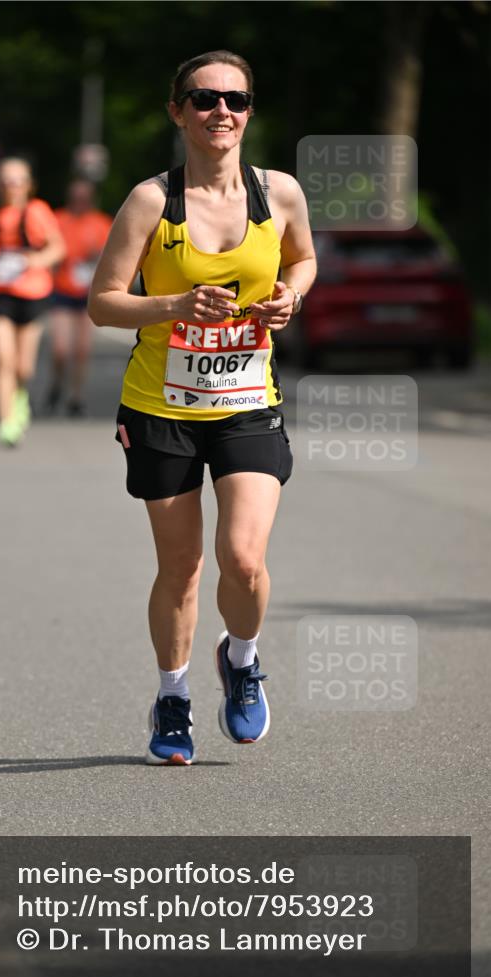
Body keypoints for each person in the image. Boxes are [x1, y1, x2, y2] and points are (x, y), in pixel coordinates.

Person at [89, 51, 317, 765]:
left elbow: (301, 259)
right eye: (203, 98)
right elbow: (101, 303)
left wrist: (291, 295)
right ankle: (173, 695)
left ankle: (242, 660)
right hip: (162, 406)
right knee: (183, 565)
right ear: (177, 111)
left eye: (236, 99)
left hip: (248, 399)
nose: (222, 111)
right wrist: (172, 305)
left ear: (249, 111)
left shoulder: (277, 193)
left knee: (243, 560)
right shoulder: (151, 202)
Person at [0, 158, 65, 445]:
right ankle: (7, 423)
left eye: (16, 181)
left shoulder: (37, 211)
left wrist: (32, 261)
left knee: (23, 366)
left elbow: (57, 248)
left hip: (33, 294)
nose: (10, 187)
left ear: (28, 185)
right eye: (4, 181)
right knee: (3, 359)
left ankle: (20, 397)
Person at [46, 178, 113, 416]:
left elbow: (113, 256)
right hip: (63, 291)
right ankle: (56, 384)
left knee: (83, 348)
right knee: (61, 349)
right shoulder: (58, 219)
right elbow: (49, 249)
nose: (80, 202)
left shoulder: (101, 223)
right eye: (76, 197)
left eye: (84, 197)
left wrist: (97, 257)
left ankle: (76, 396)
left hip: (89, 293)